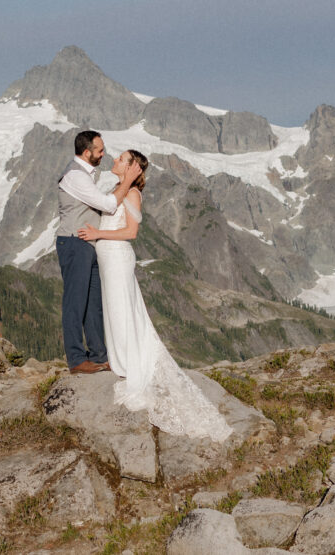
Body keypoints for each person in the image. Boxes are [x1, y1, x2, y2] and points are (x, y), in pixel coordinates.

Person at [78, 150, 233, 442]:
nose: (114, 159)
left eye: (121, 158)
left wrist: (98, 235)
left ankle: (129, 362)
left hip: (118, 256)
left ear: (132, 167)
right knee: (114, 308)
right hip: (108, 257)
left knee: (122, 307)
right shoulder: (116, 189)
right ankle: (120, 357)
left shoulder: (132, 193)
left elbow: (131, 232)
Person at [57, 130, 142, 375]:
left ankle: (99, 355)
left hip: (89, 245)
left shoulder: (90, 175)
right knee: (75, 302)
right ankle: (76, 359)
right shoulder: (75, 176)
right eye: (100, 150)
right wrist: (128, 180)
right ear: (87, 152)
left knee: (93, 304)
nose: (105, 154)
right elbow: (107, 204)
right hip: (74, 242)